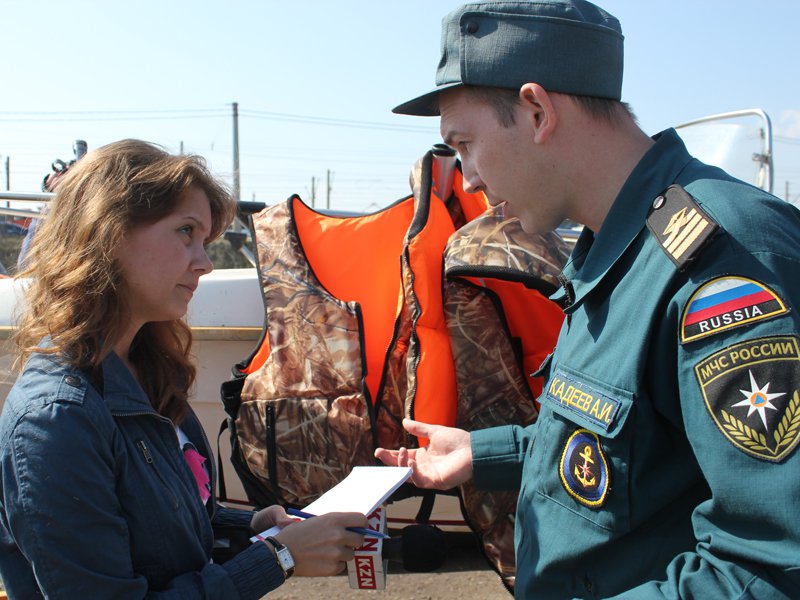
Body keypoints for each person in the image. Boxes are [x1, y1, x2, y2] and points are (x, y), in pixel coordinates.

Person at [376, 1, 800, 598]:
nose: (467, 178)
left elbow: (770, 567)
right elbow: (627, 448)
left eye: (464, 144)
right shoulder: (614, 250)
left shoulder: (721, 259)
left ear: (537, 110)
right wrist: (485, 452)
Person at [0, 139, 368, 599]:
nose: (206, 263)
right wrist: (278, 558)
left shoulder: (143, 371)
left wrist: (250, 526)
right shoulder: (56, 420)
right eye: (185, 232)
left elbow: (165, 523)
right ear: (109, 233)